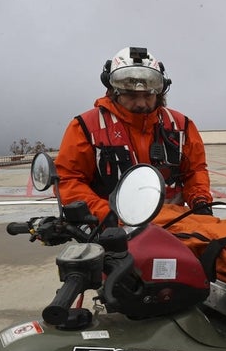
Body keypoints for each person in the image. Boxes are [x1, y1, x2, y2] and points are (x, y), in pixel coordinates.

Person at [55, 46, 213, 222]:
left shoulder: (181, 125)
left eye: (148, 95)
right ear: (114, 91)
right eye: (131, 95)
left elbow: (195, 172)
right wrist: (106, 215)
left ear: (160, 92)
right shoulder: (85, 127)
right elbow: (68, 181)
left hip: (174, 229)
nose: (140, 103)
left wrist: (200, 201)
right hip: (111, 233)